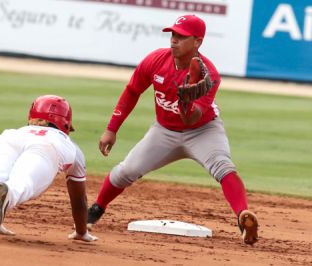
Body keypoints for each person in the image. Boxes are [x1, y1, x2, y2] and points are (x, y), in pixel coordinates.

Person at [87, 14, 259, 245]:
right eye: (173, 34)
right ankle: (96, 209)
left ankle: (243, 217)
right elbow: (132, 91)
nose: (174, 40)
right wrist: (111, 128)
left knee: (223, 166)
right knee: (125, 171)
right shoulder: (156, 60)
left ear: (197, 41)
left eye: (181, 36)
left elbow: (192, 119)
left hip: (203, 130)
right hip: (164, 130)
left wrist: (187, 104)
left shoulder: (210, 74)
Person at [0, 95, 97, 242]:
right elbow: (79, 199)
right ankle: (8, 195)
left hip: (8, 140)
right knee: (22, 183)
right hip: (48, 146)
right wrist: (81, 232)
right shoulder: (69, 145)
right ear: (66, 123)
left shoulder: (17, 131)